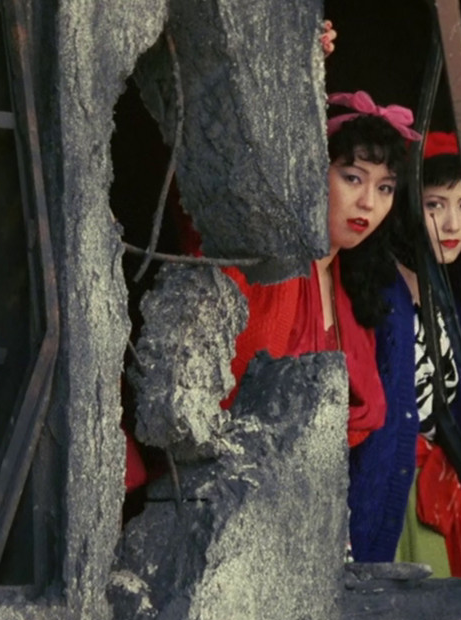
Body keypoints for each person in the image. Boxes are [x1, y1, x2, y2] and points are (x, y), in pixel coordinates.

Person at [176, 91, 416, 447]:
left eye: (385, 188)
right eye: (353, 178)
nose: (369, 202)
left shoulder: (352, 289)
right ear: (313, 174)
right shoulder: (254, 268)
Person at [347, 134, 461, 577]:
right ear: (405, 206)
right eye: (435, 204)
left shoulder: (446, 293)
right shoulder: (378, 291)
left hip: (433, 493)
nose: (454, 224)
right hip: (387, 486)